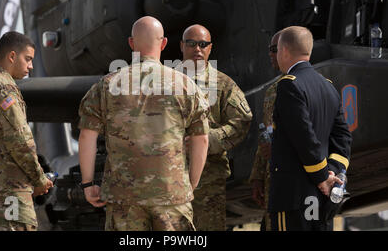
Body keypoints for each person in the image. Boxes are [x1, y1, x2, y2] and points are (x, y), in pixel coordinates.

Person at [78, 16, 210, 231]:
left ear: (131, 43)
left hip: (123, 199)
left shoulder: (106, 86)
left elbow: (87, 136)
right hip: (172, 195)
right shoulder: (186, 86)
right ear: (164, 43)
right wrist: (189, 185)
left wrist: (87, 183)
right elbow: (202, 139)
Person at [269, 26, 352, 231]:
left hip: (294, 194)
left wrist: (322, 177)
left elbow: (304, 137)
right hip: (323, 198)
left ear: (285, 50)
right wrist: (332, 173)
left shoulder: (289, 85)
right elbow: (343, 137)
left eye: (277, 50)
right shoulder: (328, 86)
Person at [0, 31, 53, 231]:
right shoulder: (3, 89)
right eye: (28, 59)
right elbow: (20, 140)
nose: (30, 66)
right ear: (12, 56)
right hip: (10, 191)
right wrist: (39, 179)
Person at [177, 24, 253, 231]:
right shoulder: (164, 83)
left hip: (208, 184)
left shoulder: (223, 85)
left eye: (203, 44)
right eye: (191, 44)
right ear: (182, 46)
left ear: (210, 48)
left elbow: (242, 120)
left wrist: (208, 141)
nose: (197, 49)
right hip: (168, 179)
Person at [249, 30, 282, 231]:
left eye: (273, 49)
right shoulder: (272, 91)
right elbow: (265, 137)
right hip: (272, 183)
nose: (269, 54)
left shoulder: (306, 87)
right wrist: (257, 177)